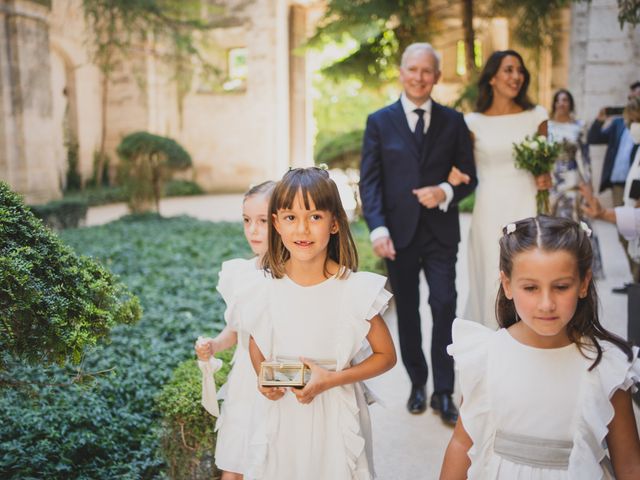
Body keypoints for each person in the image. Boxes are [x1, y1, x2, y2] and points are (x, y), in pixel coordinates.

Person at [440, 215, 640, 479]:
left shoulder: (606, 367)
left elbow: (629, 464)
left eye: (560, 287)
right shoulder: (485, 356)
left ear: (583, 283)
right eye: (531, 287)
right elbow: (462, 443)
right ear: (508, 285)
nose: (546, 304)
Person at [241, 167, 396, 480]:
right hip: (283, 412)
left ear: (335, 222)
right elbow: (255, 343)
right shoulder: (263, 289)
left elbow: (386, 356)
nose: (302, 229)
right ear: (276, 224)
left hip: (335, 412)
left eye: (314, 217)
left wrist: (332, 379)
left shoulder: (354, 290)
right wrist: (262, 376)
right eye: (290, 217)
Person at [359, 42, 477, 423]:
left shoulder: (453, 121)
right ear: (401, 72)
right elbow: (370, 183)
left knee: (443, 306)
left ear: (437, 77)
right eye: (413, 69)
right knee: (407, 312)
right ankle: (417, 383)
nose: (419, 77)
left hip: (441, 233)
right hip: (398, 235)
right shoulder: (379, 122)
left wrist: (444, 191)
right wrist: (377, 227)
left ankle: (444, 391)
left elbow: (469, 177)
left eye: (427, 71)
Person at [464, 49, 551, 329]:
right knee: (493, 273)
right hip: (489, 208)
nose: (516, 77)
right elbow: (463, 169)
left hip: (528, 203)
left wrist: (544, 179)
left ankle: (534, 335)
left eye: (520, 71)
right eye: (509, 70)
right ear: (492, 78)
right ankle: (494, 342)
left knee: (532, 271)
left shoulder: (537, 116)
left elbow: (546, 167)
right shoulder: (472, 123)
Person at [194, 181, 275, 480]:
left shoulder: (292, 277)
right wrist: (213, 346)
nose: (252, 229)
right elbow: (235, 328)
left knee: (267, 457)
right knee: (235, 458)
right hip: (244, 378)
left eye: (263, 221)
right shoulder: (241, 273)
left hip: (276, 376)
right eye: (247, 220)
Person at [587, 81, 640, 292]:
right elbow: (593, 138)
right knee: (626, 233)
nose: (632, 125)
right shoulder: (619, 123)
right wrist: (599, 120)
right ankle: (635, 280)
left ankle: (637, 282)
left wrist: (602, 214)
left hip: (634, 187)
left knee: (632, 228)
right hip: (621, 184)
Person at [548, 88, 604, 278]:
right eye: (559, 100)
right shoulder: (547, 127)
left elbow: (584, 157)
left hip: (572, 180)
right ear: (554, 103)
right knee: (551, 221)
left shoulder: (579, 126)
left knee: (573, 221)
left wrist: (587, 183)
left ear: (570, 104)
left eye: (566, 100)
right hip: (552, 180)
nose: (562, 103)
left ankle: (578, 265)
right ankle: (554, 264)